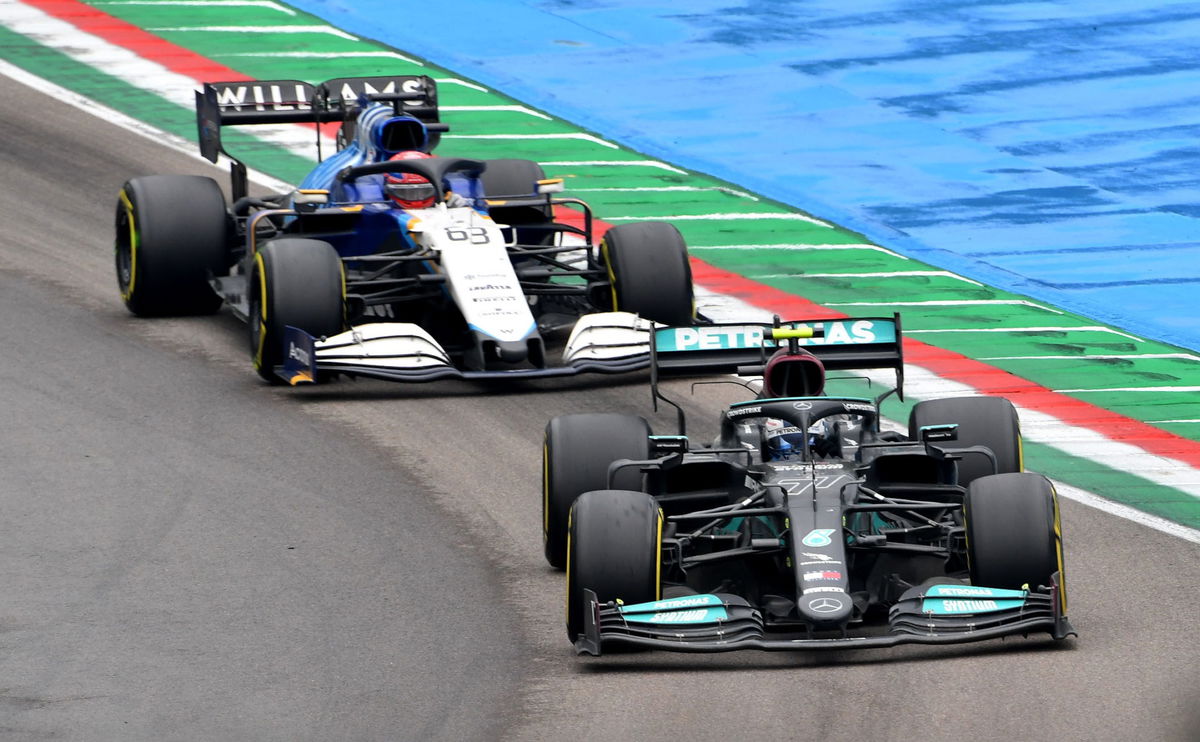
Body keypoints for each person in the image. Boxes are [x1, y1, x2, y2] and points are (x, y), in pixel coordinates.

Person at [383, 151, 471, 209]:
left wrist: (463, 207)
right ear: (389, 190)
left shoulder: (448, 198)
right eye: (407, 192)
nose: (417, 200)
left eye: (425, 191)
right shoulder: (380, 205)